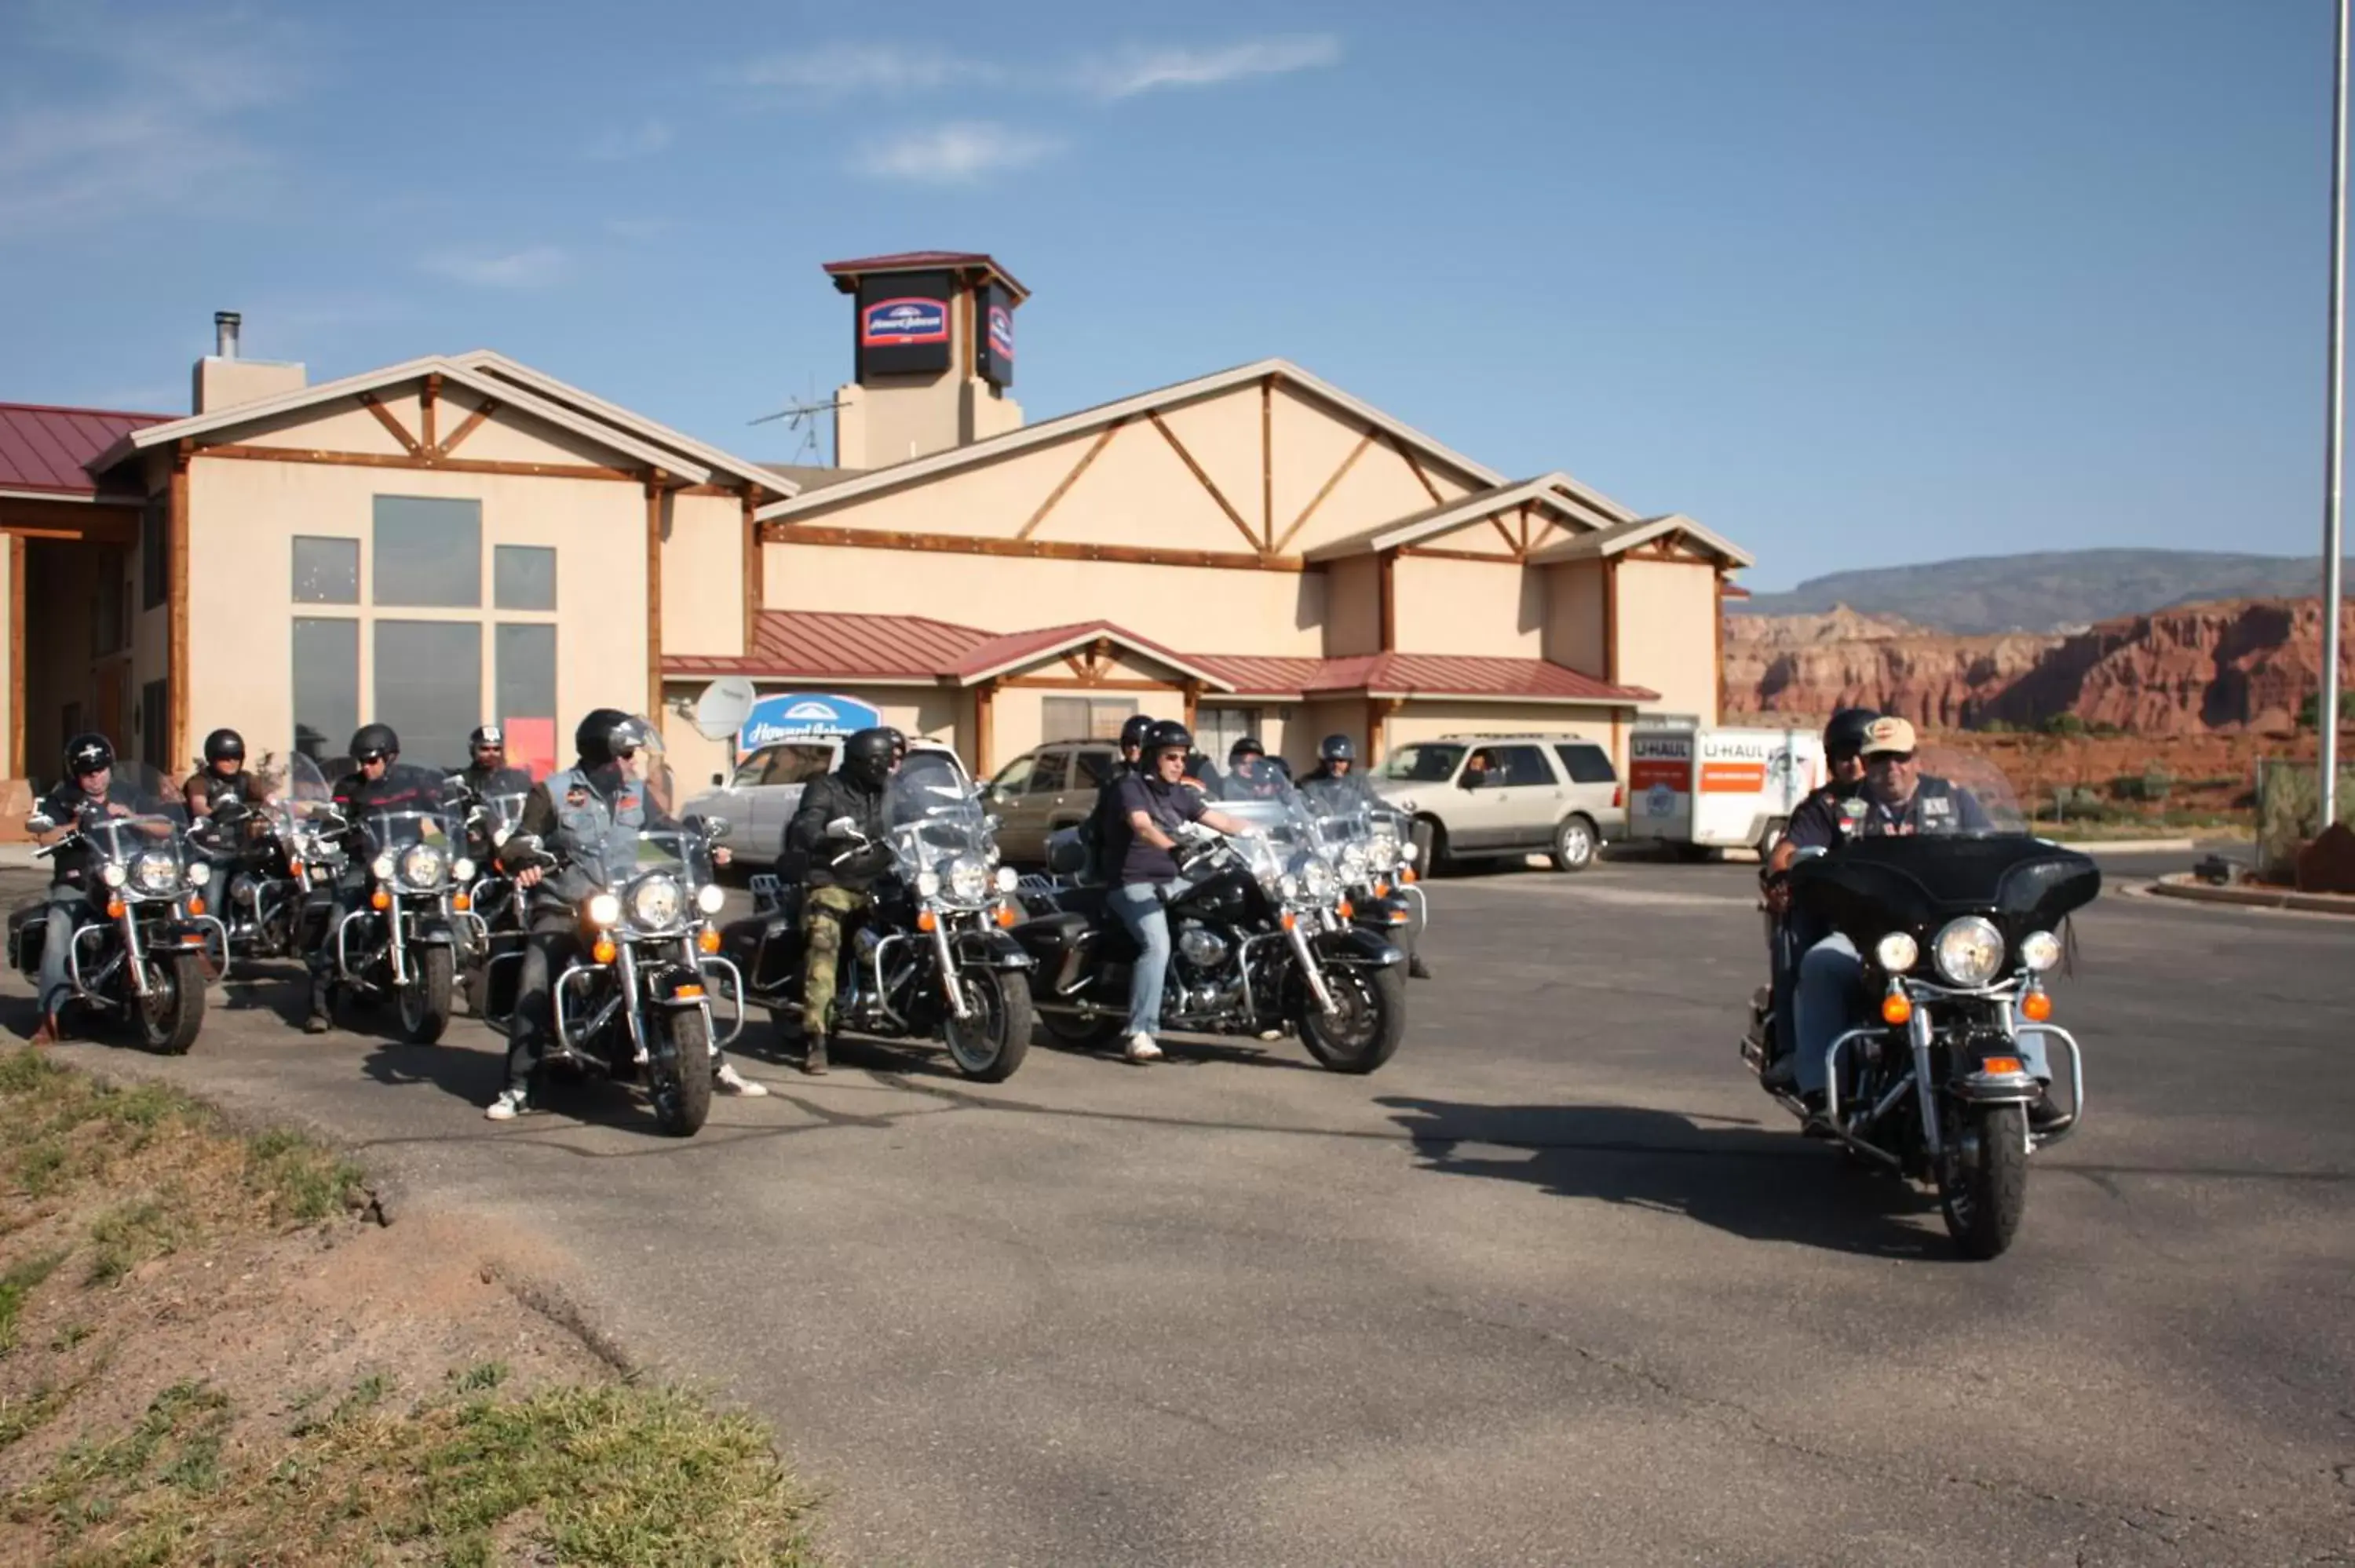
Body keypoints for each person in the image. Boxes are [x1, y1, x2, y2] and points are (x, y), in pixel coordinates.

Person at [1780, 717, 2055, 1126]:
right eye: (1879, 759)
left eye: (1900, 757)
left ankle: (2032, 1083)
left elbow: (1994, 851)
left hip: (1946, 937)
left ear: (1916, 759)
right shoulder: (1842, 806)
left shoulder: (1953, 800)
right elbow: (1790, 855)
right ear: (1866, 762)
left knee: (2014, 969)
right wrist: (1800, 869)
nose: (1890, 767)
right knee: (1821, 963)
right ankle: (1821, 1092)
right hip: (1868, 937)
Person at [488, 710, 754, 1118]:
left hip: (631, 907)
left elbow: (662, 834)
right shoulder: (553, 792)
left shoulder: (635, 793)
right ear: (604, 756)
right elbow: (521, 839)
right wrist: (524, 857)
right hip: (568, 906)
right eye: (628, 754)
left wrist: (699, 843)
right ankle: (519, 1086)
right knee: (535, 980)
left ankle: (710, 1061)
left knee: (682, 962)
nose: (634, 762)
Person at [1106, 720, 1255, 1063]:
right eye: (1171, 757)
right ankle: (1141, 1031)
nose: (1178, 764)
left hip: (1176, 881)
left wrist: (1274, 831)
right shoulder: (1131, 788)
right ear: (1152, 758)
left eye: (1182, 758)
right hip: (1134, 882)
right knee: (1156, 945)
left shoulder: (1180, 794)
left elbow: (1226, 822)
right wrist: (1173, 848)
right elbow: (1142, 826)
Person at [301, 724, 451, 1034]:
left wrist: (449, 839)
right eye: (362, 762)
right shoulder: (349, 786)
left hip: (408, 861)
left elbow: (433, 816)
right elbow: (337, 814)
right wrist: (335, 822)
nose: (366, 767)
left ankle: (462, 978)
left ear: (390, 757)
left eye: (373, 761)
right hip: (365, 862)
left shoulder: (411, 785)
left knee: (448, 904)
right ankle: (320, 1008)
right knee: (338, 923)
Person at [1756, 706, 1879, 1084]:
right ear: (1831, 761)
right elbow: (1786, 852)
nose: (1855, 765)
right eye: (1844, 756)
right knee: (1792, 928)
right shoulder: (1822, 807)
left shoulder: (1906, 800)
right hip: (1844, 916)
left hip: (1903, 917)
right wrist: (1781, 875)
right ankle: (1795, 1051)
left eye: (1863, 755)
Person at [780, 726, 898, 1075]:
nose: (888, 768)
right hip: (834, 880)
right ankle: (817, 1037)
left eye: (890, 761)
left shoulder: (890, 791)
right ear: (864, 762)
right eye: (883, 761)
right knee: (825, 939)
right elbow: (805, 825)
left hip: (883, 878)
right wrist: (824, 834)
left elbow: (918, 816)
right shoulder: (826, 788)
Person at [27, 735, 152, 1043]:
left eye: (101, 769)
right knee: (59, 927)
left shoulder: (129, 793)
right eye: (87, 772)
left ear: (110, 767)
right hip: (79, 878)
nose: (96, 777)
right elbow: (45, 836)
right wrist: (75, 826)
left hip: (127, 875)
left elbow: (166, 825)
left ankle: (192, 959)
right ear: (75, 774)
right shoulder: (60, 798)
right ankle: (49, 1016)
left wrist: (135, 818)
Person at [1300, 734, 1434, 979]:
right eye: (1332, 760)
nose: (1337, 765)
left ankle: (1411, 955)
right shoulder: (1309, 785)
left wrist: (1401, 816)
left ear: (1350, 761)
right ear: (1323, 760)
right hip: (1327, 850)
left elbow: (1375, 804)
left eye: (1342, 760)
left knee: (1390, 892)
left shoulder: (1358, 783)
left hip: (1356, 848)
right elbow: (1299, 811)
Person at [1082, 713, 1156, 881]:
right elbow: (1104, 817)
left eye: (1139, 744)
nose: (1133, 749)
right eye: (1129, 743)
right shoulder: (1115, 775)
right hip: (1123, 849)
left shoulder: (1162, 773)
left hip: (1157, 848)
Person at [182, 728, 270, 819]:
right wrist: (216, 817)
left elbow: (270, 799)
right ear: (212, 757)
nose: (232, 761)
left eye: (236, 756)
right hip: (209, 829)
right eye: (225, 757)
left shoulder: (246, 778)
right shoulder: (199, 780)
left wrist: (276, 808)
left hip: (242, 828)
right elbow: (199, 806)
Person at [1220, 737, 1290, 802]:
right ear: (1234, 764)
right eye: (1244, 763)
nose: (1250, 767)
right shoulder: (1221, 787)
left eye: (1255, 763)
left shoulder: (1268, 786)